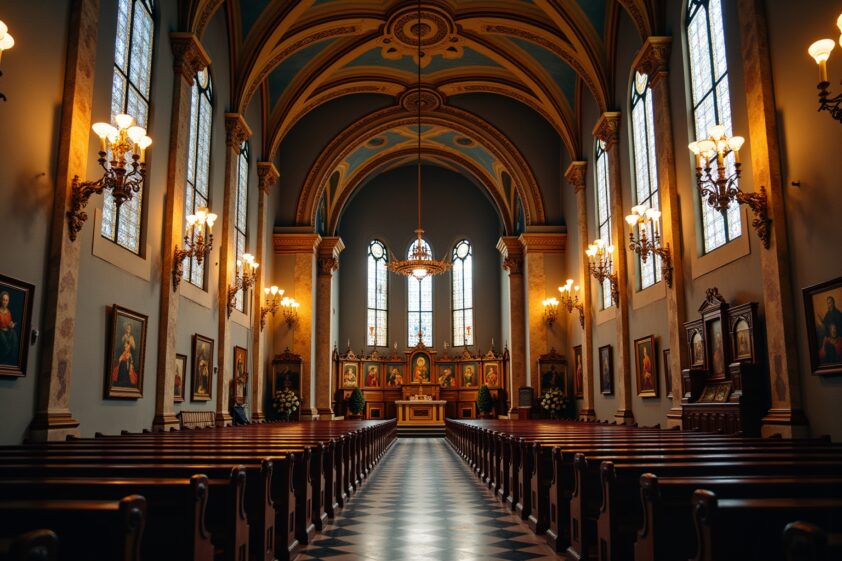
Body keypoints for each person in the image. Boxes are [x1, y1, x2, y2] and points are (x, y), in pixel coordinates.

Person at [0, 291, 19, 366]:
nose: (5, 302)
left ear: (8, 301)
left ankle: (12, 360)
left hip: (7, 331)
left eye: (6, 300)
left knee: (14, 334)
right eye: (3, 300)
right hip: (1, 331)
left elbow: (9, 323)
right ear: (1, 300)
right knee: (6, 345)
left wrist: (12, 325)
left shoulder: (8, 312)